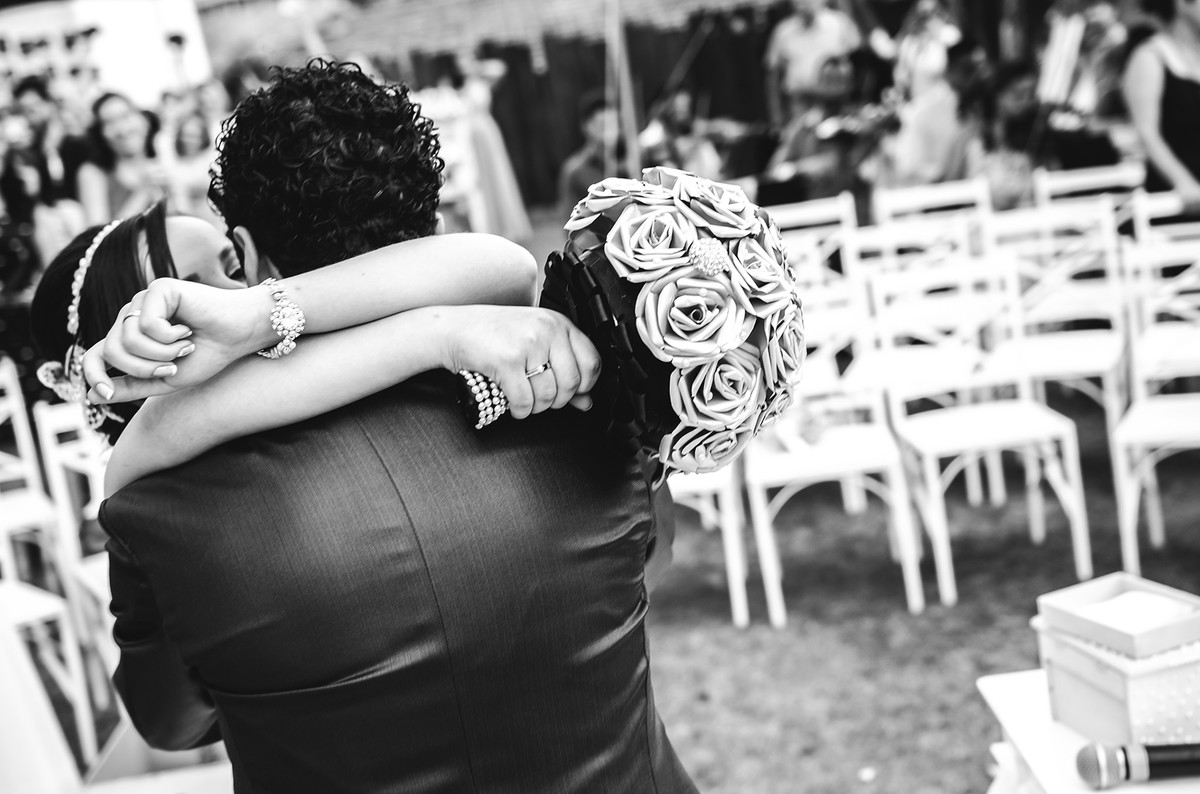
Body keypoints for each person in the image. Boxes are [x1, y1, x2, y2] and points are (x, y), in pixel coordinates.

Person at [75, 61, 694, 792]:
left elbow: (169, 723)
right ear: (426, 223)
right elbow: (649, 561)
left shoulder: (161, 500)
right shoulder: (578, 401)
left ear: (246, 250)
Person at [1123, 0, 1200, 206]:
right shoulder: (1149, 57)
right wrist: (1184, 183)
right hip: (1176, 202)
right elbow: (1148, 134)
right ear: (1182, 4)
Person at [764, 0, 863, 130]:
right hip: (800, 104)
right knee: (803, 143)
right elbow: (773, 77)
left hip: (837, 104)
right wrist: (776, 119)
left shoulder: (839, 23)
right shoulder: (783, 31)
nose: (804, 3)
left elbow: (860, 62)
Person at [76, 92, 169, 224]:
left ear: (145, 121)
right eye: (109, 122)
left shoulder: (163, 161)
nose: (122, 129)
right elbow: (99, 236)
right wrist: (144, 191)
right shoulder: (93, 173)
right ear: (100, 134)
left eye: (126, 116)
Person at [558, 91, 623, 218]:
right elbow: (571, 221)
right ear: (585, 127)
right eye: (603, 125)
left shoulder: (629, 160)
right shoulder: (576, 170)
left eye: (615, 124)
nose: (611, 132)